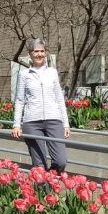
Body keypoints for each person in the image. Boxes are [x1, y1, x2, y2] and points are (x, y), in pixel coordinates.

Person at [10, 38, 70, 173]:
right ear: (30, 54)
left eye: (42, 51)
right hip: (32, 123)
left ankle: (50, 180)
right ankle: (43, 191)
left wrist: (65, 123)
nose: (39, 54)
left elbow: (60, 98)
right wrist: (16, 124)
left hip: (54, 121)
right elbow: (19, 100)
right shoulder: (24, 74)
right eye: (36, 51)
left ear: (46, 53)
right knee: (39, 166)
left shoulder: (52, 72)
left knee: (61, 161)